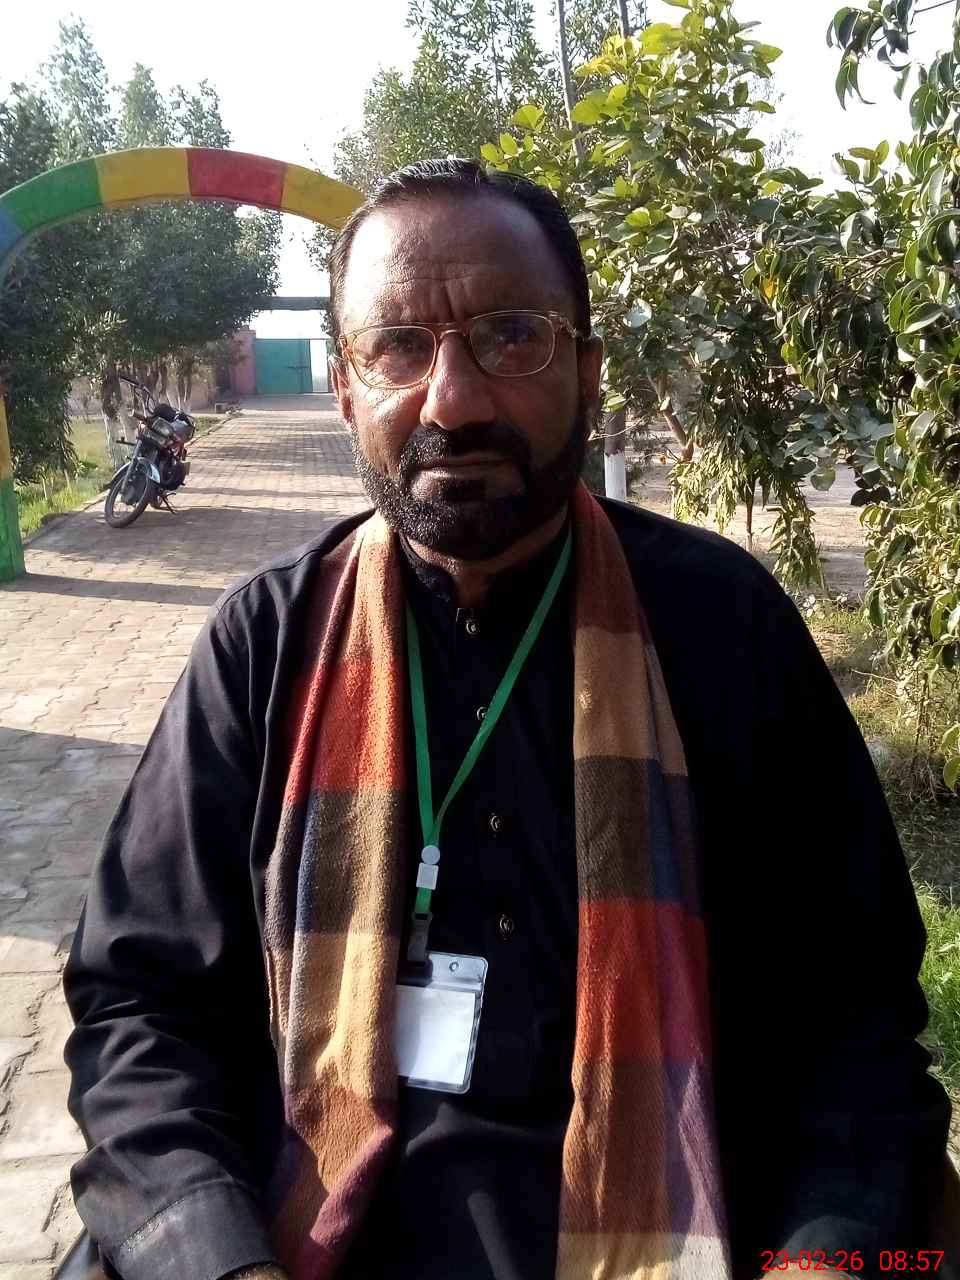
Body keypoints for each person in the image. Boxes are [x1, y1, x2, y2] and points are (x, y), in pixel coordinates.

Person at [63, 159, 953, 1280]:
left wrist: (825, 1258)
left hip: (681, 1231)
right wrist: (216, 1255)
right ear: (346, 389)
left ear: (588, 371)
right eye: (400, 348)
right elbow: (140, 1004)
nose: (455, 400)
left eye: (512, 336)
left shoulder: (721, 627)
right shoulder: (266, 645)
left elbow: (852, 1026)